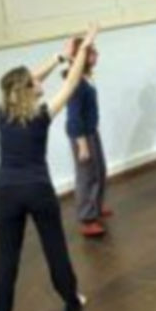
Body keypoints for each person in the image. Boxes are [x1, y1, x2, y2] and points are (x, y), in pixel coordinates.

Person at [0, 24, 99, 311]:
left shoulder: (3, 112)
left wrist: (60, 56)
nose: (39, 80)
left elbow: (21, 82)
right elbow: (73, 81)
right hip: (37, 190)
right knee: (55, 249)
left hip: (6, 192)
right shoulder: (42, 114)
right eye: (35, 80)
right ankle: (72, 302)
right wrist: (83, 49)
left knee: (6, 259)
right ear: (28, 89)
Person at [65, 37, 111, 237]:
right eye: (92, 52)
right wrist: (82, 145)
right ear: (80, 57)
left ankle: (96, 206)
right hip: (81, 134)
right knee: (87, 175)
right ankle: (87, 218)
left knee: (100, 170)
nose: (96, 55)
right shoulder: (75, 83)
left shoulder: (86, 78)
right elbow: (73, 117)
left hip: (91, 131)